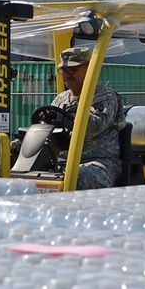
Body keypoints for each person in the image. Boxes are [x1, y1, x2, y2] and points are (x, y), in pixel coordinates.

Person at [50, 46, 126, 190]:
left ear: (89, 69)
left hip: (98, 163)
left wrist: (71, 113)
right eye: (63, 70)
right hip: (63, 162)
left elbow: (93, 126)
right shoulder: (61, 99)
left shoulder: (105, 97)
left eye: (72, 69)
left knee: (83, 175)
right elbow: (45, 132)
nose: (66, 74)